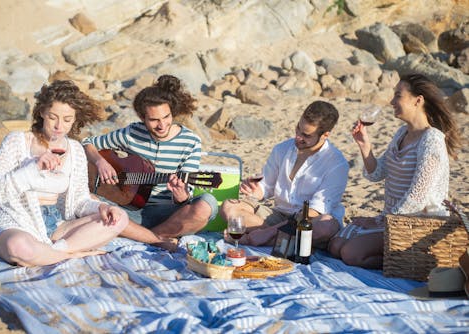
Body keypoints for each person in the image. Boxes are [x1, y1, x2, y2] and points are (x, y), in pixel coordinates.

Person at [0, 80, 130, 267]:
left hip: (58, 226)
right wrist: (32, 168)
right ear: (42, 112)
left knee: (119, 218)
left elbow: (79, 200)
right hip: (18, 222)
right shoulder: (17, 141)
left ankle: (54, 251)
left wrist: (99, 208)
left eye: (67, 120)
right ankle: (72, 255)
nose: (59, 126)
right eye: (53, 117)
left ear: (75, 119)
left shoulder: (75, 149)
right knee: (18, 247)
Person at [328, 73, 462, 269]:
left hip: (415, 224)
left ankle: (404, 263)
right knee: (335, 246)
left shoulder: (431, 140)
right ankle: (392, 257)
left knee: (350, 253)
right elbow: (377, 173)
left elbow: (418, 197)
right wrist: (365, 146)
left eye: (398, 95)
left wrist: (379, 221)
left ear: (418, 100)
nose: (391, 101)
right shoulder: (401, 134)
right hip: (393, 219)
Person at [82, 75, 217, 239]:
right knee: (87, 197)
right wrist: (100, 161)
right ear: (142, 117)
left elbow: (185, 197)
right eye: (153, 120)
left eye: (166, 117)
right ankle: (149, 237)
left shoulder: (190, 141)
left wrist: (181, 196)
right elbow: (87, 143)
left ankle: (147, 236)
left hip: (168, 214)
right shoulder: (132, 133)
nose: (161, 125)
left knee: (206, 205)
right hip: (129, 210)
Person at [220, 100, 349, 249]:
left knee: (326, 227)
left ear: (325, 135)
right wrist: (256, 191)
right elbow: (266, 186)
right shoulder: (282, 149)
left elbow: (313, 212)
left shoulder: (336, 164)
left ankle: (261, 238)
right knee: (229, 207)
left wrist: (267, 232)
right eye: (298, 129)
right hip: (278, 216)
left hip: (310, 221)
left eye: (306, 135)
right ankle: (283, 241)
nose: (298, 137)